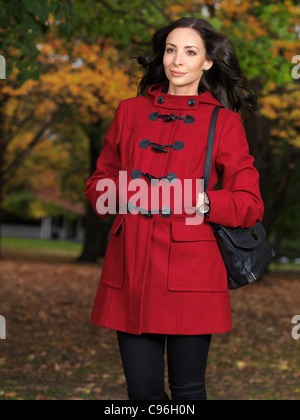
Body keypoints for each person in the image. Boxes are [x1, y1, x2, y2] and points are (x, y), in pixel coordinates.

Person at [85, 17, 264, 400]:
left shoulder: (225, 123)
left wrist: (198, 199)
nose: (177, 60)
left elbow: (249, 203)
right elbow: (97, 184)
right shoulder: (129, 112)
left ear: (208, 63)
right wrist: (118, 194)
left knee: (187, 390)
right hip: (130, 267)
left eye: (190, 52)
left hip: (192, 273)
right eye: (170, 49)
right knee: (142, 392)